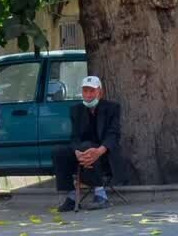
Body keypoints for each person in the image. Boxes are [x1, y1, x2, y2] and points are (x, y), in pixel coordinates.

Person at [52, 75, 124, 212]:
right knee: (59, 152)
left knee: (88, 146)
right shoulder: (76, 110)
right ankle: (72, 197)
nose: (88, 95)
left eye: (92, 91)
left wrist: (99, 151)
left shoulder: (112, 108)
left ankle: (101, 196)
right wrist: (76, 152)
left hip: (104, 154)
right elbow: (74, 137)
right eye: (85, 91)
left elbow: (113, 134)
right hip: (83, 154)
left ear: (100, 92)